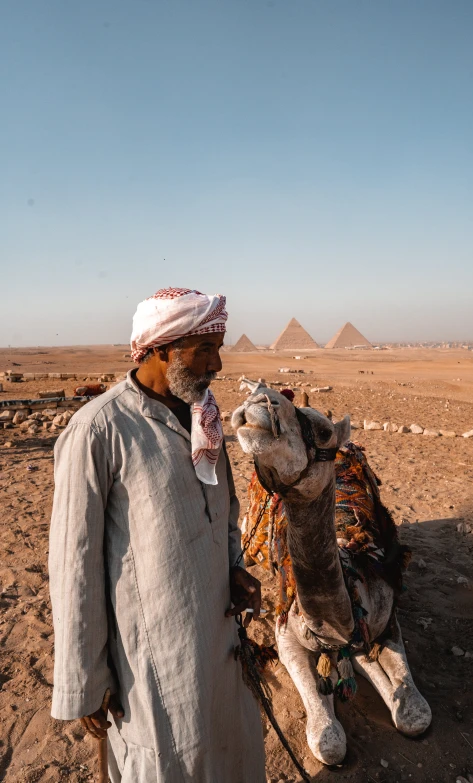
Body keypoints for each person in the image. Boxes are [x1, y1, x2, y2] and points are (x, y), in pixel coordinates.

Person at [49, 287, 266, 782]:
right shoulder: (98, 430)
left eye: (219, 347)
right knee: (166, 759)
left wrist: (233, 567)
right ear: (163, 348)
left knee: (230, 751)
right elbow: (72, 565)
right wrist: (84, 681)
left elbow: (225, 510)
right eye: (204, 349)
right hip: (152, 654)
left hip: (218, 631)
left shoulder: (203, 416)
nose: (217, 364)